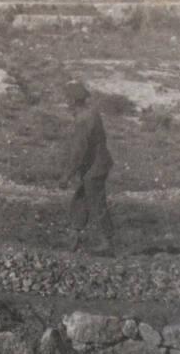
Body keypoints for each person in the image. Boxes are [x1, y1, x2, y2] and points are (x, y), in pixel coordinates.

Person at [58, 80, 115, 254]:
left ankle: (107, 242)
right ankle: (74, 236)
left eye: (67, 99)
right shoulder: (91, 114)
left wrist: (67, 175)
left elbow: (78, 151)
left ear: (72, 101)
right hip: (95, 165)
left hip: (95, 167)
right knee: (81, 198)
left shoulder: (84, 119)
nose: (66, 103)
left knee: (96, 202)